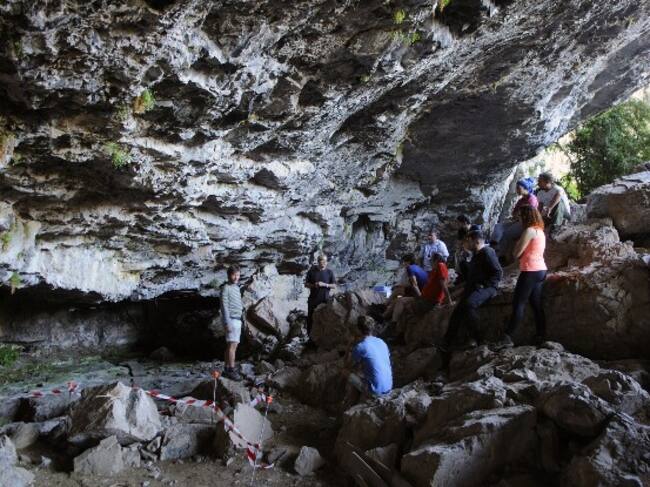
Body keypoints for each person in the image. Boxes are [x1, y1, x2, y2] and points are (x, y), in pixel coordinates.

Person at [444, 230, 503, 348]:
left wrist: (484, 285)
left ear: (476, 241)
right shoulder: (476, 254)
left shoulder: (487, 252)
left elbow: (498, 272)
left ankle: (480, 339)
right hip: (475, 286)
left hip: (488, 288)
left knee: (469, 304)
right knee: (457, 312)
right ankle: (447, 343)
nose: (466, 244)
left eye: (468, 241)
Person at [504, 206, 547, 345]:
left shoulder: (529, 231)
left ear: (525, 216)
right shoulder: (540, 231)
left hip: (530, 271)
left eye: (520, 217)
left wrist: (516, 246)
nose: (519, 220)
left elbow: (516, 254)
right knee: (536, 304)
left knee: (518, 304)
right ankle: (541, 335)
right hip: (541, 270)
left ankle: (507, 337)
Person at [343, 316, 392, 407]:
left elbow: (346, 365)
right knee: (361, 368)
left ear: (358, 329)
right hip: (389, 387)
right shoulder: (381, 342)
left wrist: (349, 345)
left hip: (376, 392)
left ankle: (349, 403)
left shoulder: (360, 346)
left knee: (345, 372)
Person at [491, 177, 538, 261]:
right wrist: (516, 215)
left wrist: (518, 215)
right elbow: (514, 213)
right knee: (498, 226)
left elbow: (528, 215)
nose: (517, 190)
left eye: (518, 188)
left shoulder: (532, 199)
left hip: (526, 224)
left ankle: (501, 255)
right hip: (518, 220)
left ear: (525, 188)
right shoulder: (521, 200)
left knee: (507, 233)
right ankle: (494, 247)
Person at [382, 254, 428, 321]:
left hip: (419, 294)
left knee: (399, 299)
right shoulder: (418, 268)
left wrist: (420, 297)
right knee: (397, 294)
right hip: (422, 292)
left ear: (408, 262)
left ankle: (392, 320)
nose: (403, 263)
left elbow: (414, 284)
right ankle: (384, 315)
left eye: (404, 261)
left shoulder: (409, 268)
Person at [221, 265, 244, 381]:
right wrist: (227, 322)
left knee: (230, 345)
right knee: (232, 346)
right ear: (229, 275)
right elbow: (224, 306)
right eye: (234, 275)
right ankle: (231, 370)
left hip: (237, 319)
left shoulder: (236, 287)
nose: (236, 277)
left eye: (238, 275)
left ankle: (226, 369)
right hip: (232, 320)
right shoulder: (226, 288)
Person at [305, 254, 336, 338]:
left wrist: (325, 284)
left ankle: (322, 338)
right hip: (313, 299)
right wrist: (314, 285)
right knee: (310, 319)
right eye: (323, 261)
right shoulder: (311, 271)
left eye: (326, 261)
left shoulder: (329, 272)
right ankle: (310, 338)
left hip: (324, 300)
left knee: (324, 319)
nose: (325, 263)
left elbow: (334, 285)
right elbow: (306, 284)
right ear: (318, 262)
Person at [454, 215, 480, 282]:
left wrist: (468, 249)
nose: (457, 224)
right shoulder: (461, 231)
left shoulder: (475, 228)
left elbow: (478, 242)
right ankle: (460, 274)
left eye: (458, 222)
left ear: (465, 222)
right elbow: (459, 242)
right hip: (466, 248)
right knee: (457, 254)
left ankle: (472, 275)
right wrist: (461, 249)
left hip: (475, 248)